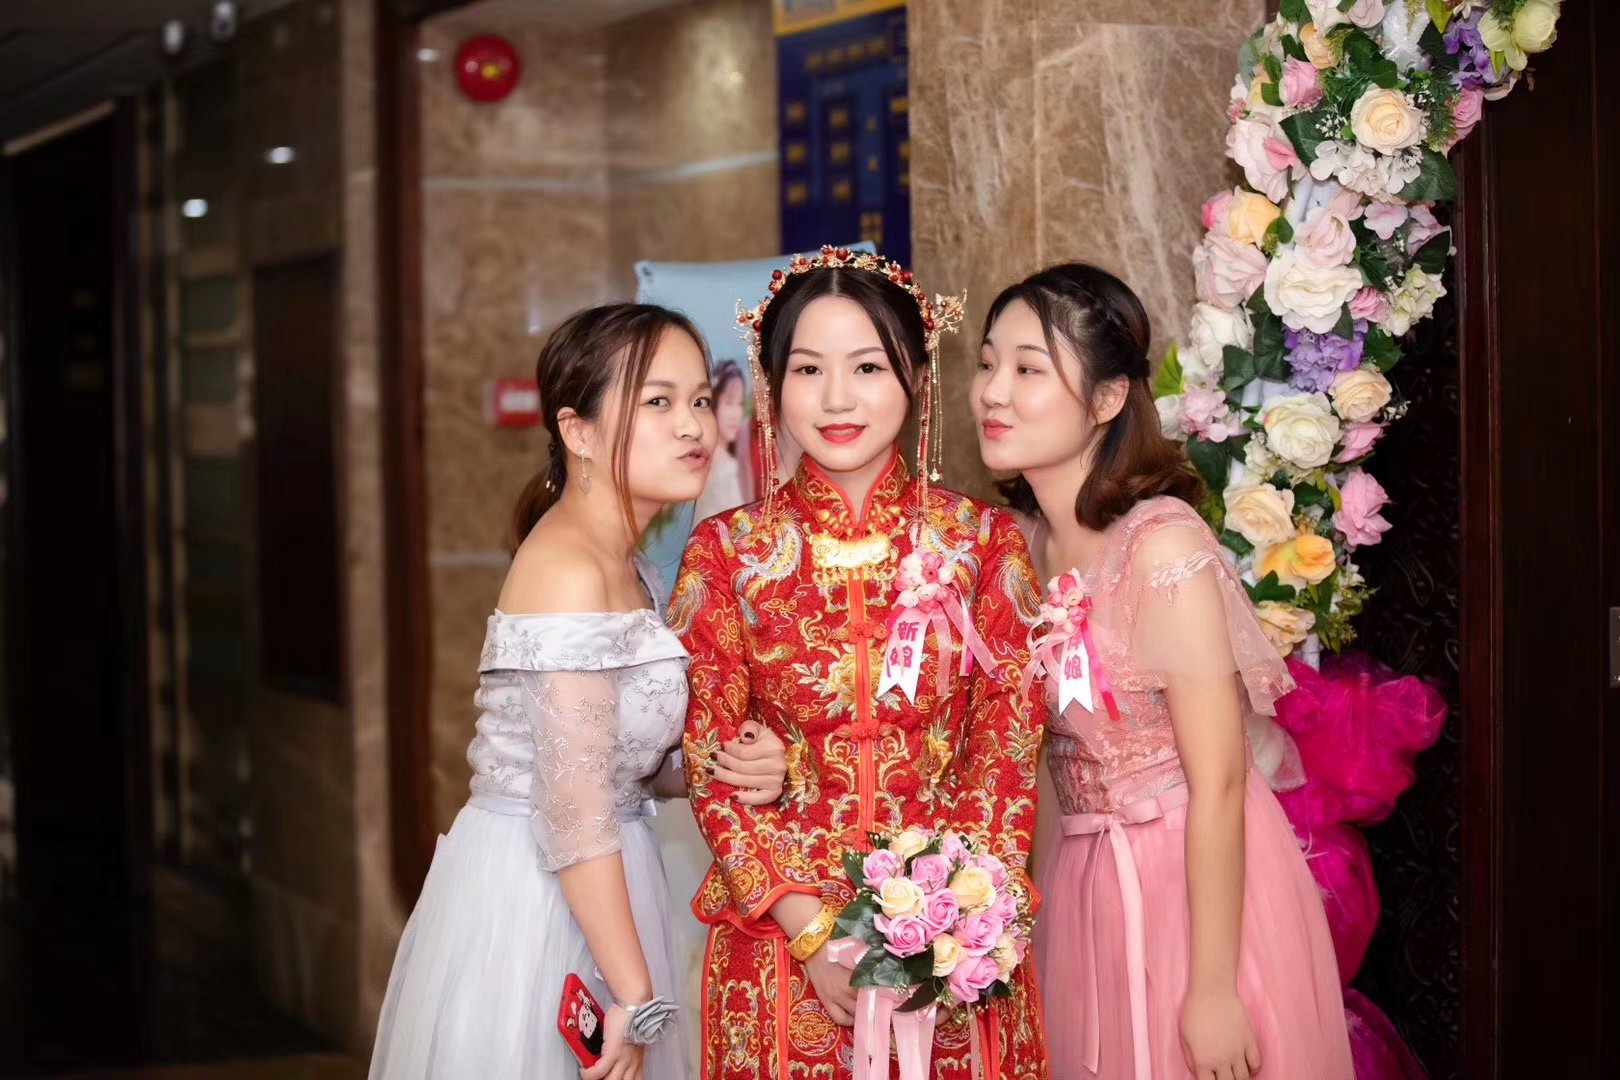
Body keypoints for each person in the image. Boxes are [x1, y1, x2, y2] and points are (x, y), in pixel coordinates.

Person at [369, 304, 788, 1080]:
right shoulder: (567, 569)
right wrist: (634, 996)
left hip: (607, 878)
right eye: (657, 401)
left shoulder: (631, 565)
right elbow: (574, 806)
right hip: (541, 899)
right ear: (578, 431)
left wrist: (723, 761)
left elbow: (625, 765)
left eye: (700, 399)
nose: (693, 425)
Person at [670, 248, 1050, 1079]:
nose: (837, 398)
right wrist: (810, 930)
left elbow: (1006, 751)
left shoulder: (984, 546)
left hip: (954, 956)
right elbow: (707, 754)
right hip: (781, 947)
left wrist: (951, 921)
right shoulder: (727, 554)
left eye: (868, 367)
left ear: (916, 374)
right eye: (809, 369)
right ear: (773, 385)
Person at [971, 263, 1353, 1080]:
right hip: (1082, 883)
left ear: (1108, 398)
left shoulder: (1161, 545)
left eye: (1029, 369)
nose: (993, 392)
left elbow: (1222, 780)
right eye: (988, 363)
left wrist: (1213, 987)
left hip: (1191, 882)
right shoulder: (1019, 547)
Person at [692, 360, 748, 522]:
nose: (736, 413)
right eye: (729, 402)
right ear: (713, 404)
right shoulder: (727, 470)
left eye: (740, 404)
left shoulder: (732, 472)